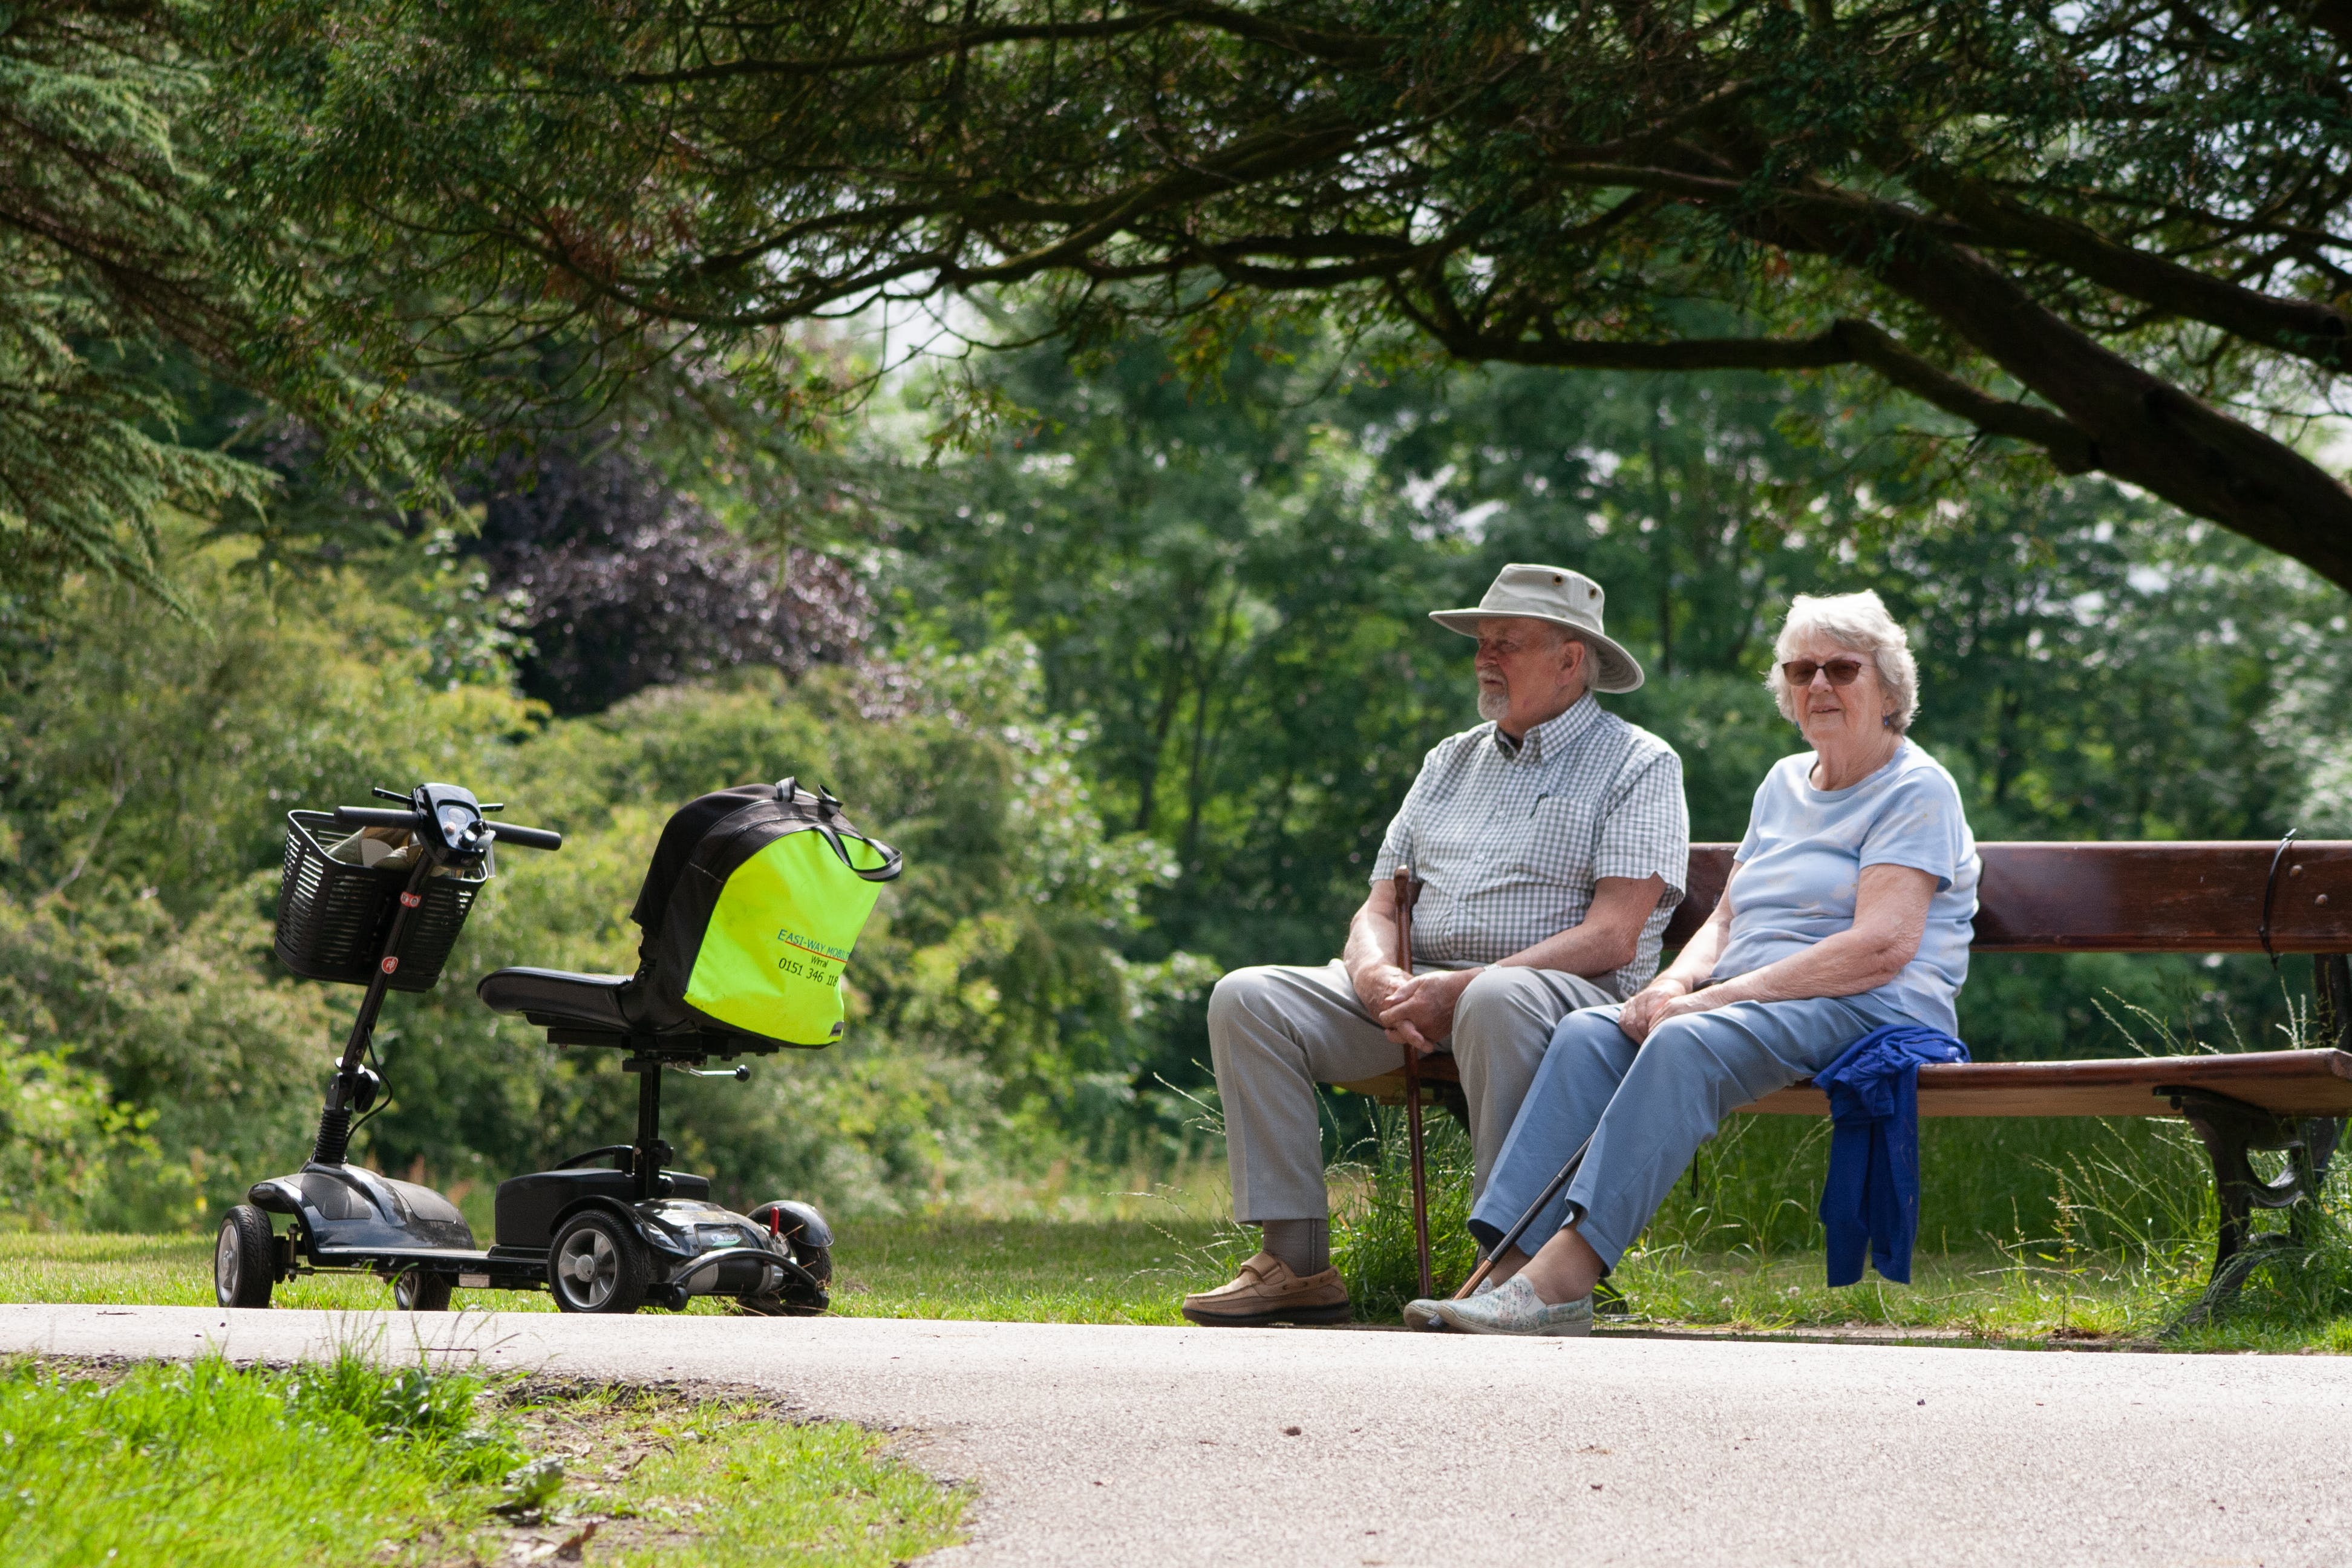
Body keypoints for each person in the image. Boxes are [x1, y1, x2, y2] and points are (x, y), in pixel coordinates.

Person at [1416, 589, 1980, 1336]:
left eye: (1842, 669)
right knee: (1591, 1032)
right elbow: (1728, 916)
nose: (1817, 686)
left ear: (1889, 689)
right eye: (1800, 669)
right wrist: (1674, 981)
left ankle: (1563, 1282)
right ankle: (1508, 1267)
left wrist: (1710, 1003)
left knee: (1683, 1039)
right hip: (1760, 1000)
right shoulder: (1784, 783)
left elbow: (1880, 948)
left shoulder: (1916, 788)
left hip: (1871, 1005)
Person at [1180, 564, 1689, 1327]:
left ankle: (1515, 1266)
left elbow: (1614, 936)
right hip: (1424, 995)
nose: (1486, 658)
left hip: (1559, 999)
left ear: (1570, 659)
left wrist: (1464, 983)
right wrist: (1378, 973)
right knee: (1249, 997)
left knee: (1495, 995)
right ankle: (1296, 1262)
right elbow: (1382, 902)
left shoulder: (1640, 763)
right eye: (1482, 643)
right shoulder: (1450, 759)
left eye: (1507, 643)